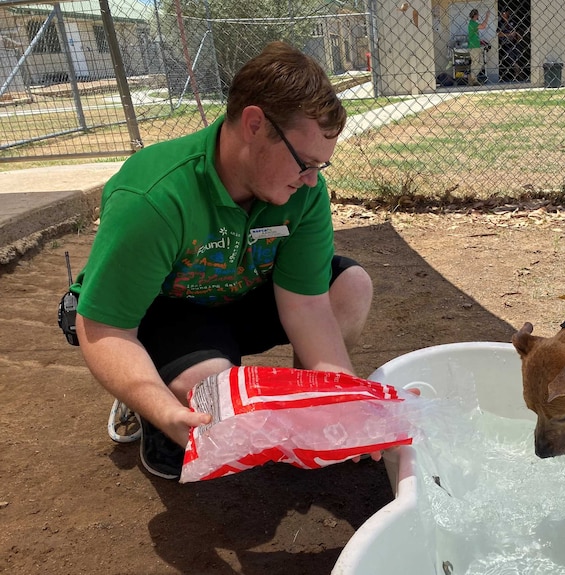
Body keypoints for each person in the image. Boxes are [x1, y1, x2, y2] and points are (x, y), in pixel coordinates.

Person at [70, 41, 374, 480]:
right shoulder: (154, 196)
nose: (311, 182)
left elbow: (307, 304)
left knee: (350, 285)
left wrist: (339, 395)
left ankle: (304, 411)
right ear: (254, 124)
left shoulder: (303, 194)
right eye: (305, 163)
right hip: (168, 312)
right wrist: (158, 405)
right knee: (217, 399)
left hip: (240, 291)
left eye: (319, 168)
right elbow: (103, 327)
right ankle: (156, 404)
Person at [497, 10, 522, 82]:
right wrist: (509, 35)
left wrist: (518, 37)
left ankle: (518, 75)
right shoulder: (500, 23)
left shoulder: (513, 22)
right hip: (506, 44)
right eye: (502, 13)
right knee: (511, 60)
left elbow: (518, 31)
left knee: (517, 59)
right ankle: (516, 74)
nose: (504, 14)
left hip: (515, 43)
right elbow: (498, 34)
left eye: (505, 12)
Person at [467, 8, 490, 86]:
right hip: (474, 47)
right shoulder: (473, 23)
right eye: (477, 15)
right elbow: (483, 26)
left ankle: (473, 78)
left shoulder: (472, 23)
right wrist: (487, 16)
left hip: (476, 45)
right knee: (475, 63)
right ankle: (472, 77)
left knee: (479, 63)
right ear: (476, 15)